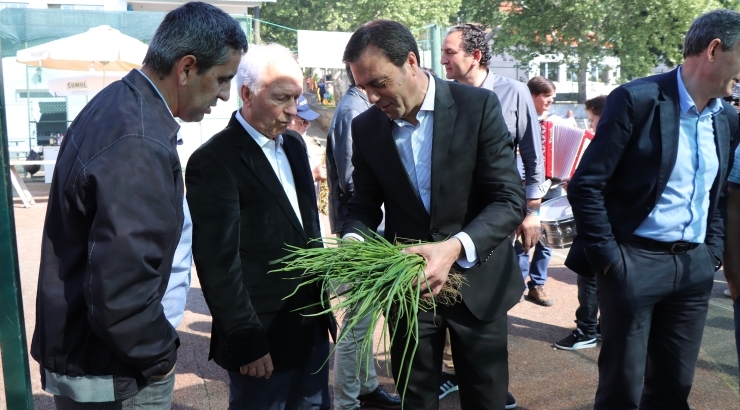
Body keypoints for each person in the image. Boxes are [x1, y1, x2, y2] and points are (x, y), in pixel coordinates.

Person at [30, 2, 247, 408]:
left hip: (98, 356)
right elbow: (121, 290)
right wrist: (160, 356)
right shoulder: (138, 141)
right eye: (221, 79)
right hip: (115, 369)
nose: (224, 95)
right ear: (186, 69)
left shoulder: (120, 105)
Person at [342, 20, 526, 409]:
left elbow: (509, 199)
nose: (372, 97)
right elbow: (362, 205)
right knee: (416, 399)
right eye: (363, 88)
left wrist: (455, 248)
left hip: (480, 287)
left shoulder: (476, 106)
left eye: (379, 83)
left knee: (486, 400)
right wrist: (352, 242)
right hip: (410, 291)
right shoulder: (366, 127)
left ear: (411, 62)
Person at [565, 9, 740, 409]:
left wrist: (710, 252)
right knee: (621, 391)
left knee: (674, 387)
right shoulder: (637, 99)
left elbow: (716, 195)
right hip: (634, 263)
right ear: (714, 49)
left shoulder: (727, 116)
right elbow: (587, 185)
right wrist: (611, 259)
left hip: (694, 268)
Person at [186, 43, 336, 409]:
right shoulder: (213, 161)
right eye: (282, 98)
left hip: (312, 325)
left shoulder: (295, 147)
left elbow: (307, 232)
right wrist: (245, 341)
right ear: (247, 94)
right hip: (262, 339)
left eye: (297, 98)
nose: (292, 111)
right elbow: (217, 264)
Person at [437, 23, 546, 407]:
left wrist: (531, 210)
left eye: (450, 52)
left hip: (502, 213)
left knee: (493, 297)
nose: (443, 59)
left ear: (475, 56)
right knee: (450, 298)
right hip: (454, 217)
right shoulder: (443, 94)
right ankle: (454, 373)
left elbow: (533, 156)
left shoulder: (513, 93)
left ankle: (488, 382)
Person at [326, 66, 401, 410]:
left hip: (373, 232)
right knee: (356, 322)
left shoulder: (359, 106)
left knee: (365, 318)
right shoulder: (354, 110)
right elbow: (351, 179)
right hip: (363, 234)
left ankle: (367, 386)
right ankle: (346, 401)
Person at [554, 94, 607, 351]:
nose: (590, 126)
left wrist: (575, 186)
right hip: (606, 225)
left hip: (598, 226)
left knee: (589, 277)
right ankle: (599, 326)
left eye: (593, 120)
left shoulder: (606, 144)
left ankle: (586, 329)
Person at [286, 95, 326, 184]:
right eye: (304, 120)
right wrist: (313, 176)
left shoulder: (302, 139)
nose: (308, 124)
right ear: (289, 120)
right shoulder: (283, 148)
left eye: (309, 120)